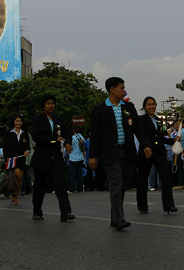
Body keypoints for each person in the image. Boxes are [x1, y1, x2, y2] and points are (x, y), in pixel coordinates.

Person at [89, 77, 151, 231]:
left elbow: (137, 128)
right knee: (115, 184)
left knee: (122, 186)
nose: (124, 90)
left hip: (128, 152)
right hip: (110, 153)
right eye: (121, 88)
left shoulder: (129, 107)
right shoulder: (100, 109)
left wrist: (145, 145)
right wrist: (92, 156)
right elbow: (95, 135)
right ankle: (119, 219)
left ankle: (114, 217)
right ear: (112, 89)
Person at [29, 94, 74, 222]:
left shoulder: (59, 120)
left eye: (52, 103)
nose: (51, 106)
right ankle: (37, 211)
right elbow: (36, 137)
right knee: (39, 186)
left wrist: (68, 142)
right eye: (48, 103)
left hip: (56, 158)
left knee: (60, 184)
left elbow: (67, 133)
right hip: (42, 157)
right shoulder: (37, 120)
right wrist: (54, 140)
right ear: (43, 105)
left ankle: (65, 212)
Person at [136, 96, 177, 214]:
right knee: (143, 179)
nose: (152, 106)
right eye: (149, 104)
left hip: (159, 151)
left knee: (166, 177)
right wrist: (145, 146)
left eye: (153, 104)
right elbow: (141, 135)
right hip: (146, 151)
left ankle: (169, 205)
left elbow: (161, 136)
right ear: (144, 107)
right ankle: (142, 206)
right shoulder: (141, 119)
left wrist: (173, 140)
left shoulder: (159, 120)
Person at [2, 115, 30, 204]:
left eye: (20, 121)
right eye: (17, 121)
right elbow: (5, 146)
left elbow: (27, 145)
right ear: (14, 122)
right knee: (17, 175)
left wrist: (27, 151)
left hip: (21, 158)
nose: (18, 123)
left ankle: (15, 196)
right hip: (12, 159)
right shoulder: (8, 133)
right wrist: (7, 158)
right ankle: (13, 193)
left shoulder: (24, 133)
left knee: (20, 178)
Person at [68, 125, 86, 194]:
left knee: (72, 174)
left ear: (73, 130)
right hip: (81, 157)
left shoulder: (73, 138)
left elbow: (70, 147)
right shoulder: (82, 137)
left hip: (73, 157)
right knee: (79, 173)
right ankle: (79, 188)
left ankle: (72, 188)